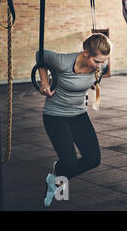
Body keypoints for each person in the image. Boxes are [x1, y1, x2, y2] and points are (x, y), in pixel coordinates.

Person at [37, 33, 111, 207]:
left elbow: (95, 77)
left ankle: (55, 178)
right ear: (85, 53)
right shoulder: (64, 62)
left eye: (104, 61)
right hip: (56, 116)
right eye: (97, 61)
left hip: (79, 115)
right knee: (69, 163)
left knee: (93, 159)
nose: (101, 65)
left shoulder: (99, 67)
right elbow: (40, 56)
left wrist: (94, 81)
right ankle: (59, 175)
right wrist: (44, 82)